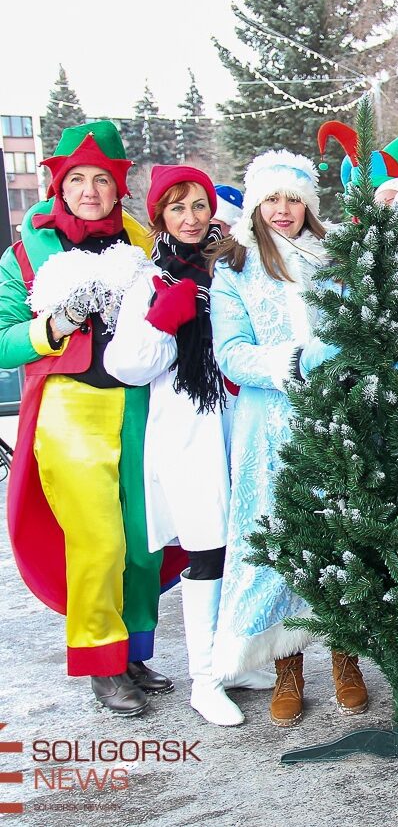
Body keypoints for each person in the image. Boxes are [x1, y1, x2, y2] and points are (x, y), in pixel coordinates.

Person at [0, 121, 176, 716]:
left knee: (144, 543)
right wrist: (49, 329)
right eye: (77, 179)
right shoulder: (25, 252)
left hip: (138, 403)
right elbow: (1, 340)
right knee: (98, 541)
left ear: (118, 186)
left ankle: (134, 653)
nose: (90, 190)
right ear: (58, 184)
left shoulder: (143, 240)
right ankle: (102, 664)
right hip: (70, 410)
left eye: (102, 178)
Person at [104, 165, 273, 726]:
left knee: (245, 540)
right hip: (188, 430)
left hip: (237, 418)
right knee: (205, 549)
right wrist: (161, 322)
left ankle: (235, 660)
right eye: (178, 208)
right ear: (160, 218)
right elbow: (125, 364)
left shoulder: (232, 265)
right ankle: (206, 679)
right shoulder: (147, 279)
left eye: (199, 204)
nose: (192, 217)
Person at [207, 149, 367, 727]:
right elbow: (230, 352)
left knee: (337, 537)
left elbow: (358, 325)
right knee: (280, 544)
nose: (282, 209)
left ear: (309, 204)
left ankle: (345, 656)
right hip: (269, 426)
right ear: (254, 204)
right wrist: (293, 361)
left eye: (294, 198)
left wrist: (343, 358)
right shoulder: (235, 266)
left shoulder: (334, 258)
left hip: (334, 418)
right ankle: (286, 665)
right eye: (271, 198)